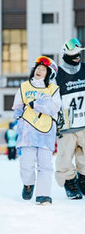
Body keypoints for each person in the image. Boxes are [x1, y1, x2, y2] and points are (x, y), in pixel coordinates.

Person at [12, 56, 61, 205]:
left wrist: (36, 105)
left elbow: (55, 107)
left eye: (43, 69)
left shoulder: (53, 89)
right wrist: (19, 119)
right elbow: (17, 106)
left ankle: (43, 195)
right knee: (26, 164)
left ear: (49, 74)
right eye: (38, 68)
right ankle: (28, 184)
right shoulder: (24, 86)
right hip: (27, 133)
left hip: (46, 133)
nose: (39, 71)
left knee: (45, 165)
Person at [55, 38, 85, 199]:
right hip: (67, 125)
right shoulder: (57, 75)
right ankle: (70, 182)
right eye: (73, 54)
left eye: (79, 53)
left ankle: (83, 179)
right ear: (64, 54)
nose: (77, 57)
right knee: (65, 156)